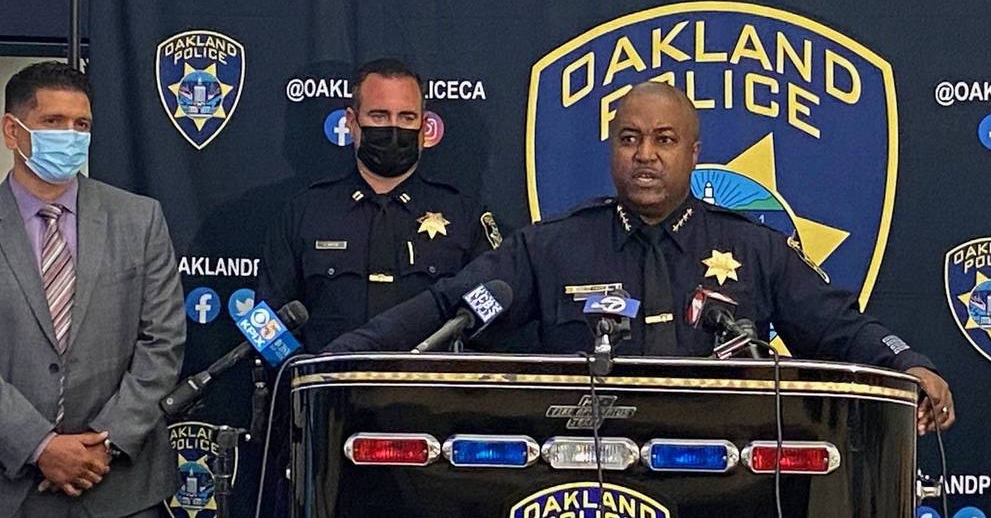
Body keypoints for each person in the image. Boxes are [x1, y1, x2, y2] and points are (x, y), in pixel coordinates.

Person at [328, 81, 955, 434]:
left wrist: (908, 363)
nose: (645, 155)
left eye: (664, 140)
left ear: (693, 153)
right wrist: (341, 360)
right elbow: (447, 309)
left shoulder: (754, 248)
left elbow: (838, 326)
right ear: (612, 149)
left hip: (720, 481)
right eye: (629, 138)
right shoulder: (551, 248)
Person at [0, 62, 185, 517]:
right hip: (12, 488)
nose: (70, 136)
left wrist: (105, 442)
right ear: (12, 130)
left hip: (121, 488)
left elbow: (162, 341)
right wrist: (38, 444)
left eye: (81, 125)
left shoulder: (139, 219)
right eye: (52, 121)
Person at [256, 58, 501, 351]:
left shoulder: (465, 217)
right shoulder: (303, 213)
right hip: (328, 378)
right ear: (351, 122)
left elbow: (493, 324)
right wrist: (300, 372)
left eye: (406, 118)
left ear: (424, 126)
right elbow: (264, 326)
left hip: (429, 380)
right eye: (379, 116)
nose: (393, 128)